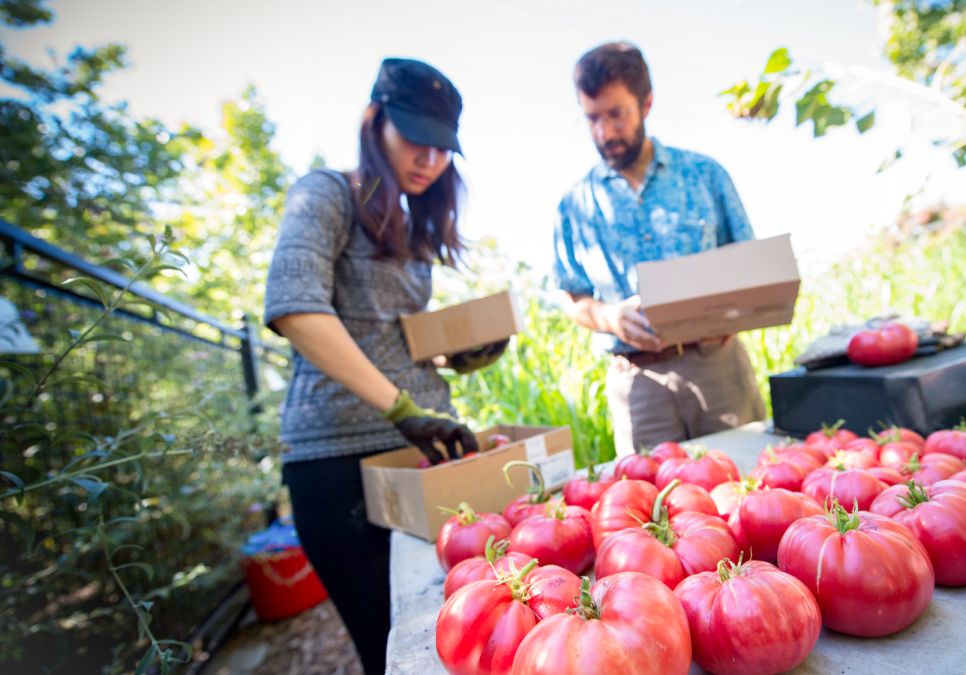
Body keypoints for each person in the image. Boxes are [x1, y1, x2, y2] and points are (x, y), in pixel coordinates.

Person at [263, 58, 505, 674]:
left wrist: (456, 357)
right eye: (414, 138)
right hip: (340, 461)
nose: (429, 159)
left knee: (453, 631)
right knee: (392, 650)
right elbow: (296, 310)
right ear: (375, 122)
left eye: (443, 147)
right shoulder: (326, 194)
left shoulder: (408, 221)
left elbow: (383, 337)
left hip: (418, 450)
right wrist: (401, 408)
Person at [553, 41, 766, 457]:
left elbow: (751, 265)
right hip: (637, 384)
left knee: (749, 483)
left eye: (617, 115)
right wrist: (609, 316)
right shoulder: (575, 205)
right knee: (651, 508)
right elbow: (570, 295)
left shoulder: (704, 175)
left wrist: (727, 310)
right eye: (592, 118)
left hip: (716, 367)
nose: (605, 132)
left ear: (646, 104)